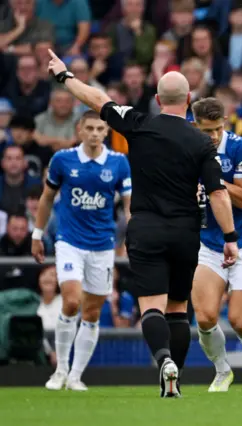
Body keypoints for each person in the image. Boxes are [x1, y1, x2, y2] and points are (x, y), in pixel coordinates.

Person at [44, 49, 238, 398]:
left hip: (146, 228)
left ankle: (162, 359)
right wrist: (230, 237)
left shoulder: (139, 123)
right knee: (178, 307)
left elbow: (98, 98)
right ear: (189, 100)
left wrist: (64, 76)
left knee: (151, 305)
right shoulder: (202, 140)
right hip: (185, 232)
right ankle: (173, 381)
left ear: (157, 99)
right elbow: (219, 195)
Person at [32, 110, 132, 391]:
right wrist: (37, 234)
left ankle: (76, 375)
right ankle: (60, 370)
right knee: (72, 301)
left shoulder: (118, 163)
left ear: (106, 132)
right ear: (79, 130)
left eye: (100, 129)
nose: (95, 134)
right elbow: (47, 197)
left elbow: (128, 204)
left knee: (91, 313)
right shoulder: (63, 160)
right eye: (90, 128)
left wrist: (134, 236)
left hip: (102, 246)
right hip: (69, 242)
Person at [190, 97, 242, 392]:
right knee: (205, 317)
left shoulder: (240, 148)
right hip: (207, 242)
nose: (214, 136)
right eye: (207, 131)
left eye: (218, 129)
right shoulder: (185, 147)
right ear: (194, 125)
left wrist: (213, 179)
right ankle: (222, 370)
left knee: (239, 320)